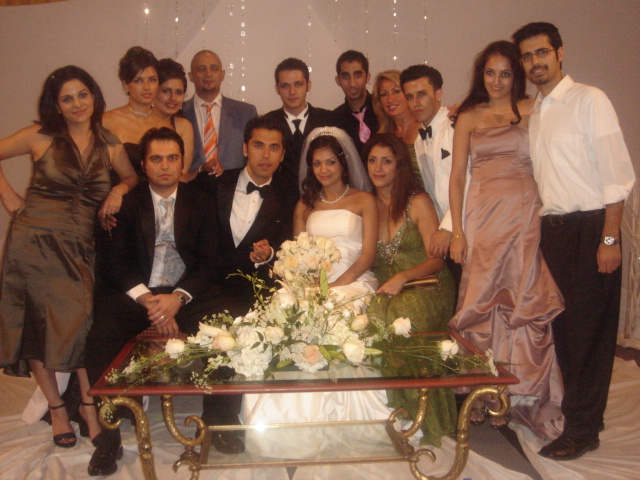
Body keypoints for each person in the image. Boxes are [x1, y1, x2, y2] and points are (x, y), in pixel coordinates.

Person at [513, 22, 635, 460]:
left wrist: (609, 238)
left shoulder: (589, 100)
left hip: (591, 229)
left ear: (560, 53)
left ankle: (583, 431)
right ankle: (585, 418)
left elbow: (617, 176)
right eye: (527, 56)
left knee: (590, 335)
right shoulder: (538, 111)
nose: (535, 62)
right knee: (566, 332)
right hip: (554, 232)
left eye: (542, 52)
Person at [0, 66, 137, 451]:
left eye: (82, 94)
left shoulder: (110, 143)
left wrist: (118, 191)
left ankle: (88, 407)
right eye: (67, 98)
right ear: (56, 105)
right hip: (32, 243)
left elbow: (131, 178)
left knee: (81, 326)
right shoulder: (40, 136)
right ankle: (58, 410)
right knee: (37, 328)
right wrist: (10, 198)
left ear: (94, 97)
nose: (77, 104)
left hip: (79, 247)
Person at [447, 41, 565, 437]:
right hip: (483, 217)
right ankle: (482, 392)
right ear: (480, 75)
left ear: (517, 76)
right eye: (490, 73)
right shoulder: (468, 117)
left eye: (505, 74)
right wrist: (458, 231)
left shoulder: (533, 109)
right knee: (481, 303)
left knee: (521, 302)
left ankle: (518, 394)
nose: (496, 81)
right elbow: (457, 177)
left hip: (524, 216)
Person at [85, 127, 218, 476]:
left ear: (182, 162)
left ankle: (220, 422)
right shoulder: (124, 204)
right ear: (143, 165)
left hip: (183, 294)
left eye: (172, 158)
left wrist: (177, 299)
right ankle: (109, 437)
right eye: (156, 159)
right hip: (137, 294)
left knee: (226, 325)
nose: (165, 166)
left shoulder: (202, 201)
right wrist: (151, 303)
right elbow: (115, 262)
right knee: (101, 335)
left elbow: (209, 261)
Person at [242, 128, 381, 435]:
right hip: (310, 283)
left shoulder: (364, 200)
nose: (323, 170)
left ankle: (340, 414)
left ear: (343, 163)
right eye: (317, 164)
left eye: (330, 162)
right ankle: (286, 413)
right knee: (283, 309)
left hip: (352, 279)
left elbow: (368, 255)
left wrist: (335, 286)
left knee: (336, 313)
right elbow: (297, 253)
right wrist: (308, 285)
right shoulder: (306, 205)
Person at [189, 115, 294, 455]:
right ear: (245, 148)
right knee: (225, 326)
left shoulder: (290, 196)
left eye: (274, 148)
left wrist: (269, 255)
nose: (266, 154)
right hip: (205, 287)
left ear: (282, 154)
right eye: (259, 145)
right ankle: (219, 420)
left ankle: (224, 419)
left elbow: (290, 249)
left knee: (240, 326)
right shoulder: (214, 184)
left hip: (254, 290)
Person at [365, 133, 457, 446]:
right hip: (389, 290)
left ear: (400, 166)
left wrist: (403, 277)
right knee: (370, 320)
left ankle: (427, 420)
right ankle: (396, 414)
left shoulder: (417, 202)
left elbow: (437, 259)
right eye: (372, 160)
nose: (378, 168)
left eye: (386, 161)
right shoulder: (367, 204)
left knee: (403, 321)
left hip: (427, 284)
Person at [263, 57, 334, 210]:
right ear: (277, 89)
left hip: (324, 203)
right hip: (277, 205)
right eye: (285, 86)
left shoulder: (329, 120)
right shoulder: (266, 124)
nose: (292, 92)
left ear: (308, 86)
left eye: (298, 84)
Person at [183, 50, 257, 174]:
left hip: (234, 184)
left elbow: (253, 158)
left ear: (222, 75)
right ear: (191, 76)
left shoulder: (246, 113)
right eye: (201, 69)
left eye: (214, 68)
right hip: (191, 185)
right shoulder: (180, 112)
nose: (208, 74)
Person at [103, 46, 170, 179]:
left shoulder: (165, 126)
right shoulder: (107, 121)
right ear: (125, 86)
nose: (147, 87)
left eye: (152, 80)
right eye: (138, 80)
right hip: (117, 190)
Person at [371, 70, 422, 189]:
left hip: (433, 196)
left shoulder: (425, 126)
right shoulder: (383, 136)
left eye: (396, 91)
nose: (390, 99)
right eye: (384, 94)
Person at [332, 50, 379, 154]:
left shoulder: (382, 109)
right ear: (338, 80)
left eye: (357, 75)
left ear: (367, 77)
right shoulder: (334, 120)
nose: (352, 83)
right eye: (346, 77)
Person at [152, 58, 194, 174]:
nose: (173, 98)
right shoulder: (138, 121)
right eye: (166, 91)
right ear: (154, 91)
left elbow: (181, 173)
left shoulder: (184, 126)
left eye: (179, 92)